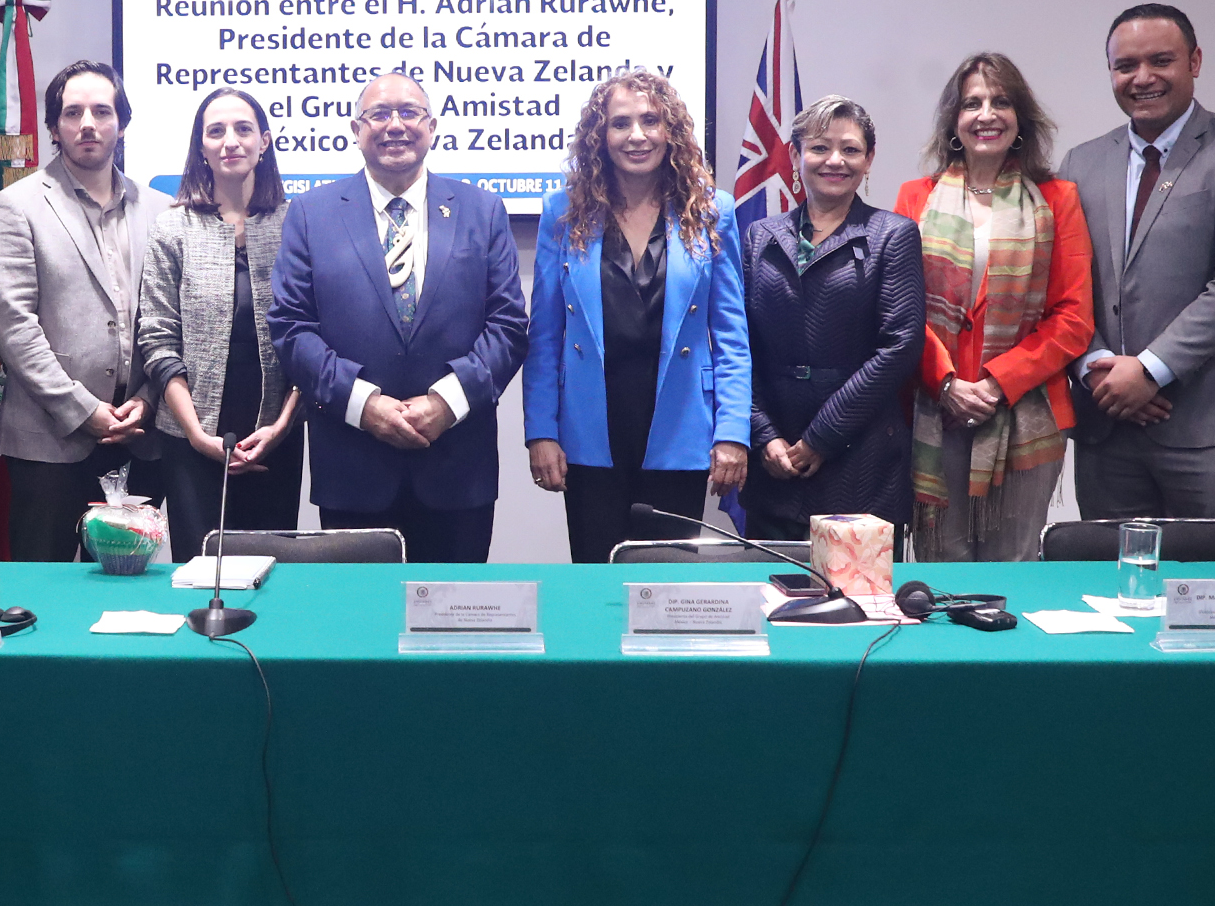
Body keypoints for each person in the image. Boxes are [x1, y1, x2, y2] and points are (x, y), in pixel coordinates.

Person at [1057, 4, 1215, 558]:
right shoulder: (1081, 163)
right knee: (1114, 592)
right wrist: (1098, 368)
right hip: (1108, 430)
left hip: (1211, 427)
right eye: (1126, 66)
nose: (1142, 78)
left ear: (1195, 61)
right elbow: (1063, 285)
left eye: (1160, 61)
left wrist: (1148, 370)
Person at [268, 72, 528, 562]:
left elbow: (508, 327)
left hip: (456, 467)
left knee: (454, 609)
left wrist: (446, 402)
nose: (395, 125)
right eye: (379, 115)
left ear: (432, 127)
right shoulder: (310, 213)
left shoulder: (482, 210)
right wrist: (362, 404)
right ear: (355, 129)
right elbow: (291, 327)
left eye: (409, 113)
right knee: (361, 611)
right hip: (352, 466)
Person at [525, 72, 749, 562]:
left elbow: (732, 336)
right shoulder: (563, 212)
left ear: (671, 131)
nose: (637, 135)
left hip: (680, 422)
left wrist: (732, 433)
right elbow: (544, 335)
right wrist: (541, 431)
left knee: (668, 582)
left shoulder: (712, 212)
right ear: (600, 136)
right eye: (620, 123)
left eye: (651, 120)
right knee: (595, 575)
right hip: (590, 427)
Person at [893, 54, 1094, 562]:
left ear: (1020, 117)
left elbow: (1073, 318)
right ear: (954, 120)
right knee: (943, 567)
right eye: (972, 103)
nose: (987, 114)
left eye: (1000, 102)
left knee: (1015, 566)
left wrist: (998, 383)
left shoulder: (1058, 198)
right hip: (935, 409)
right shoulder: (916, 198)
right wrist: (946, 383)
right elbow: (900, 310)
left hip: (1026, 413)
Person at [0, 60, 172, 561]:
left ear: (122, 125)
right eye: (73, 113)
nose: (88, 123)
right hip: (50, 441)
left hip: (139, 435)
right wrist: (84, 411)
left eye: (102, 111)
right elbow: (14, 329)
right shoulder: (15, 206)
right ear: (53, 127)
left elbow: (171, 322)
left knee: (127, 590)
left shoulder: (160, 209)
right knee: (44, 591)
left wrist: (148, 400)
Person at [742, 95, 925, 542]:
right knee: (771, 586)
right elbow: (736, 346)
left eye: (850, 149)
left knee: (859, 589)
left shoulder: (893, 235)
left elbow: (900, 346)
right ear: (795, 155)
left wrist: (820, 438)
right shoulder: (758, 237)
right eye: (820, 147)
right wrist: (763, 435)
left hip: (861, 461)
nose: (835, 161)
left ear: (869, 160)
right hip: (774, 463)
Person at [138, 87, 304, 561]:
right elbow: (157, 338)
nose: (230, 141)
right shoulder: (173, 227)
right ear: (202, 147)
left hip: (276, 438)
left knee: (270, 575)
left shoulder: (296, 224)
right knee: (198, 574)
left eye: (243, 129)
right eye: (216, 131)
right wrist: (196, 434)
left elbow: (311, 337)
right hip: (191, 439)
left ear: (264, 142)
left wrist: (280, 428)